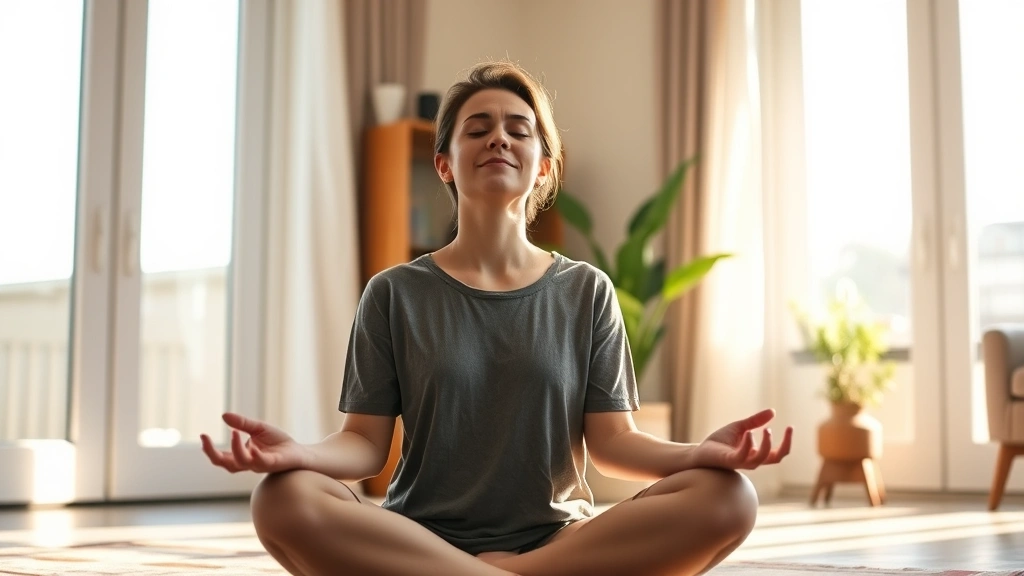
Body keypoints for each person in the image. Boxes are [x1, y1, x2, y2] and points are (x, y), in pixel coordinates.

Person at [200, 60, 793, 576]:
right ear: (444, 164)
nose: (498, 140)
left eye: (519, 130)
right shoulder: (394, 293)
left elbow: (614, 444)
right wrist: (296, 455)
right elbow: (364, 445)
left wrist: (698, 455)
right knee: (280, 500)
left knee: (729, 498)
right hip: (421, 539)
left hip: (558, 539)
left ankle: (520, 572)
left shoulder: (587, 290)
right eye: (476, 129)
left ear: (543, 166)